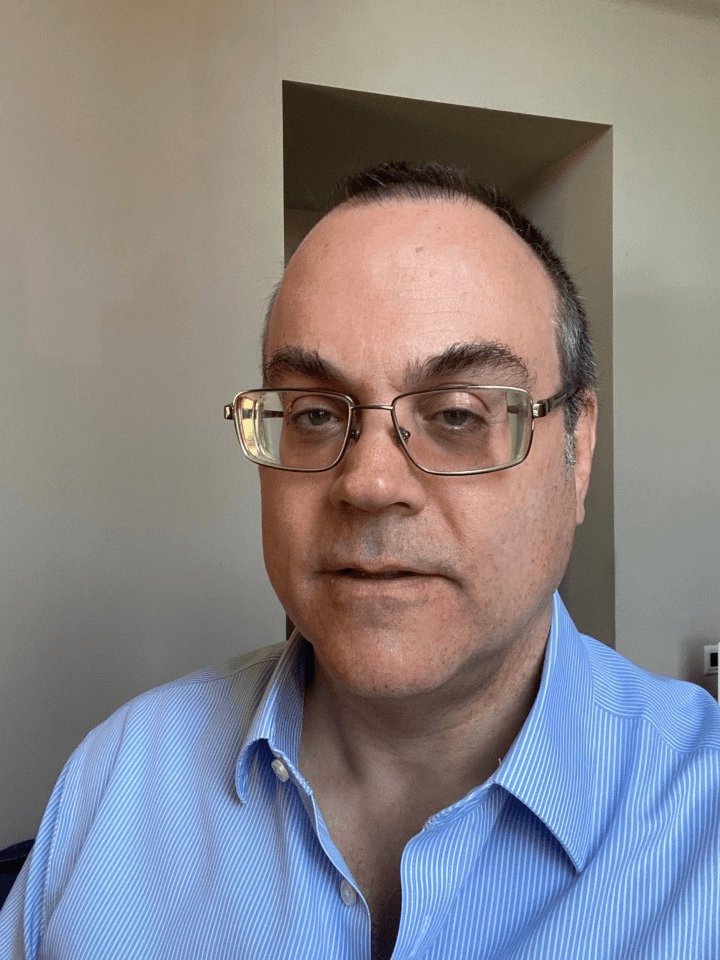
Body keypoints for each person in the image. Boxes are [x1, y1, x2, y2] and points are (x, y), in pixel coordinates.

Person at [1, 161, 718, 959]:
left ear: (577, 450)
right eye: (313, 414)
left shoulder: (703, 821)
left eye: (458, 414)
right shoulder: (117, 780)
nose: (370, 484)